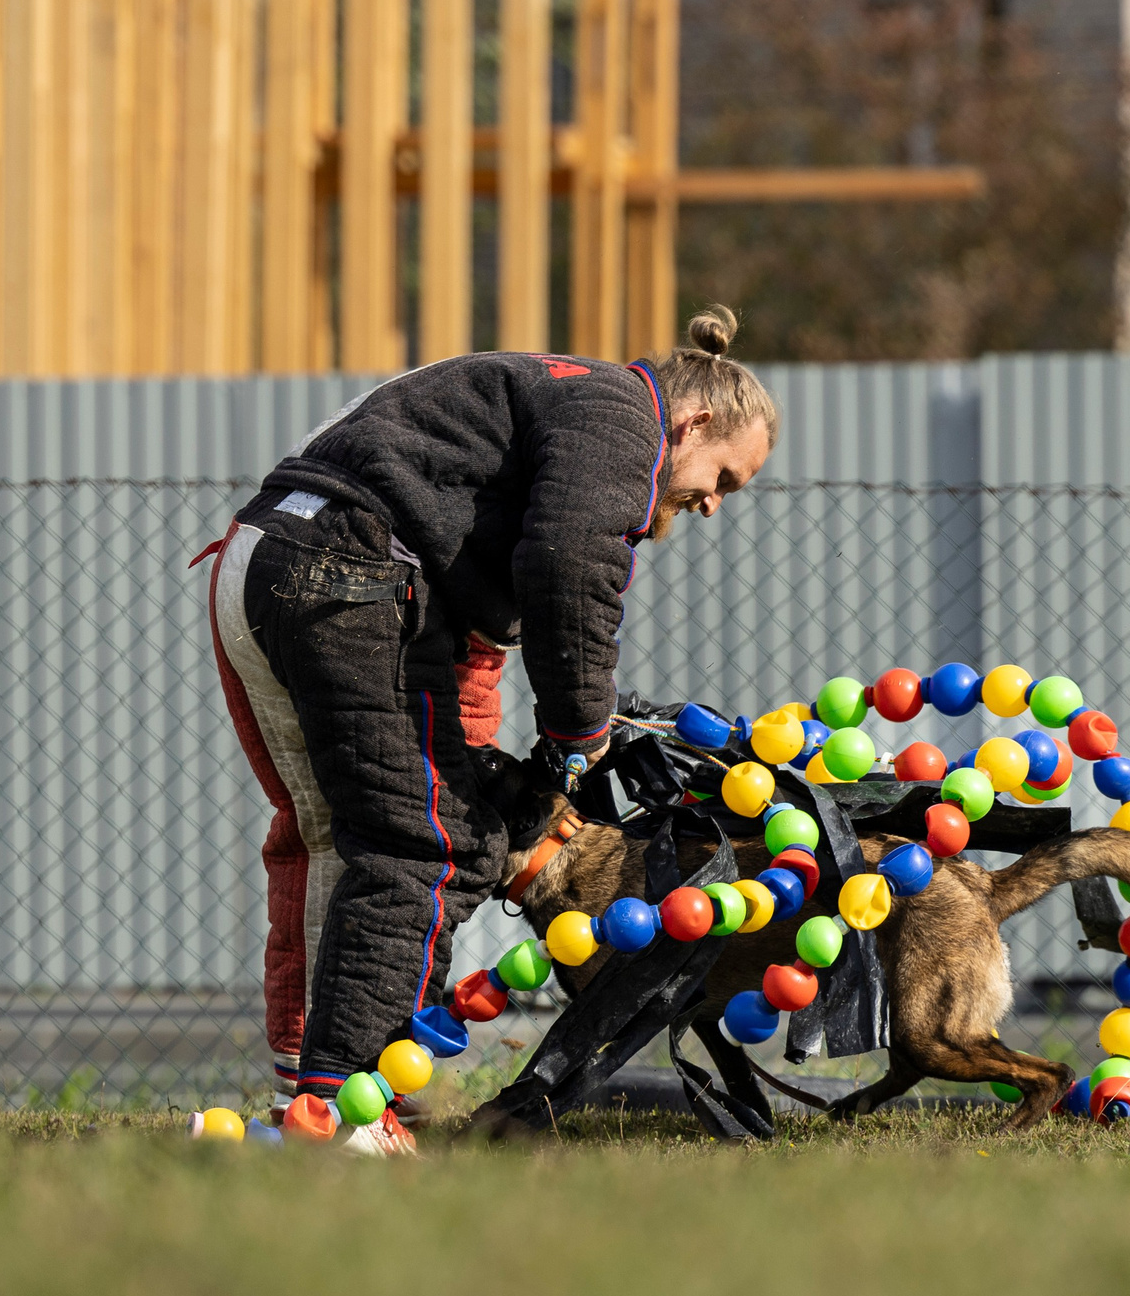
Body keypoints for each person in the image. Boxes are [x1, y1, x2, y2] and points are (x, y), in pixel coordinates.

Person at [203, 307, 778, 1153]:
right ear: (691, 424)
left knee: (336, 835)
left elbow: (495, 595)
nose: (712, 506)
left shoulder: (561, 396)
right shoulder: (626, 419)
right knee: (423, 845)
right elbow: (569, 566)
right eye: (724, 477)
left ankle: (310, 1093)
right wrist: (581, 727)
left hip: (268, 557)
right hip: (347, 573)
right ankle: (343, 1112)